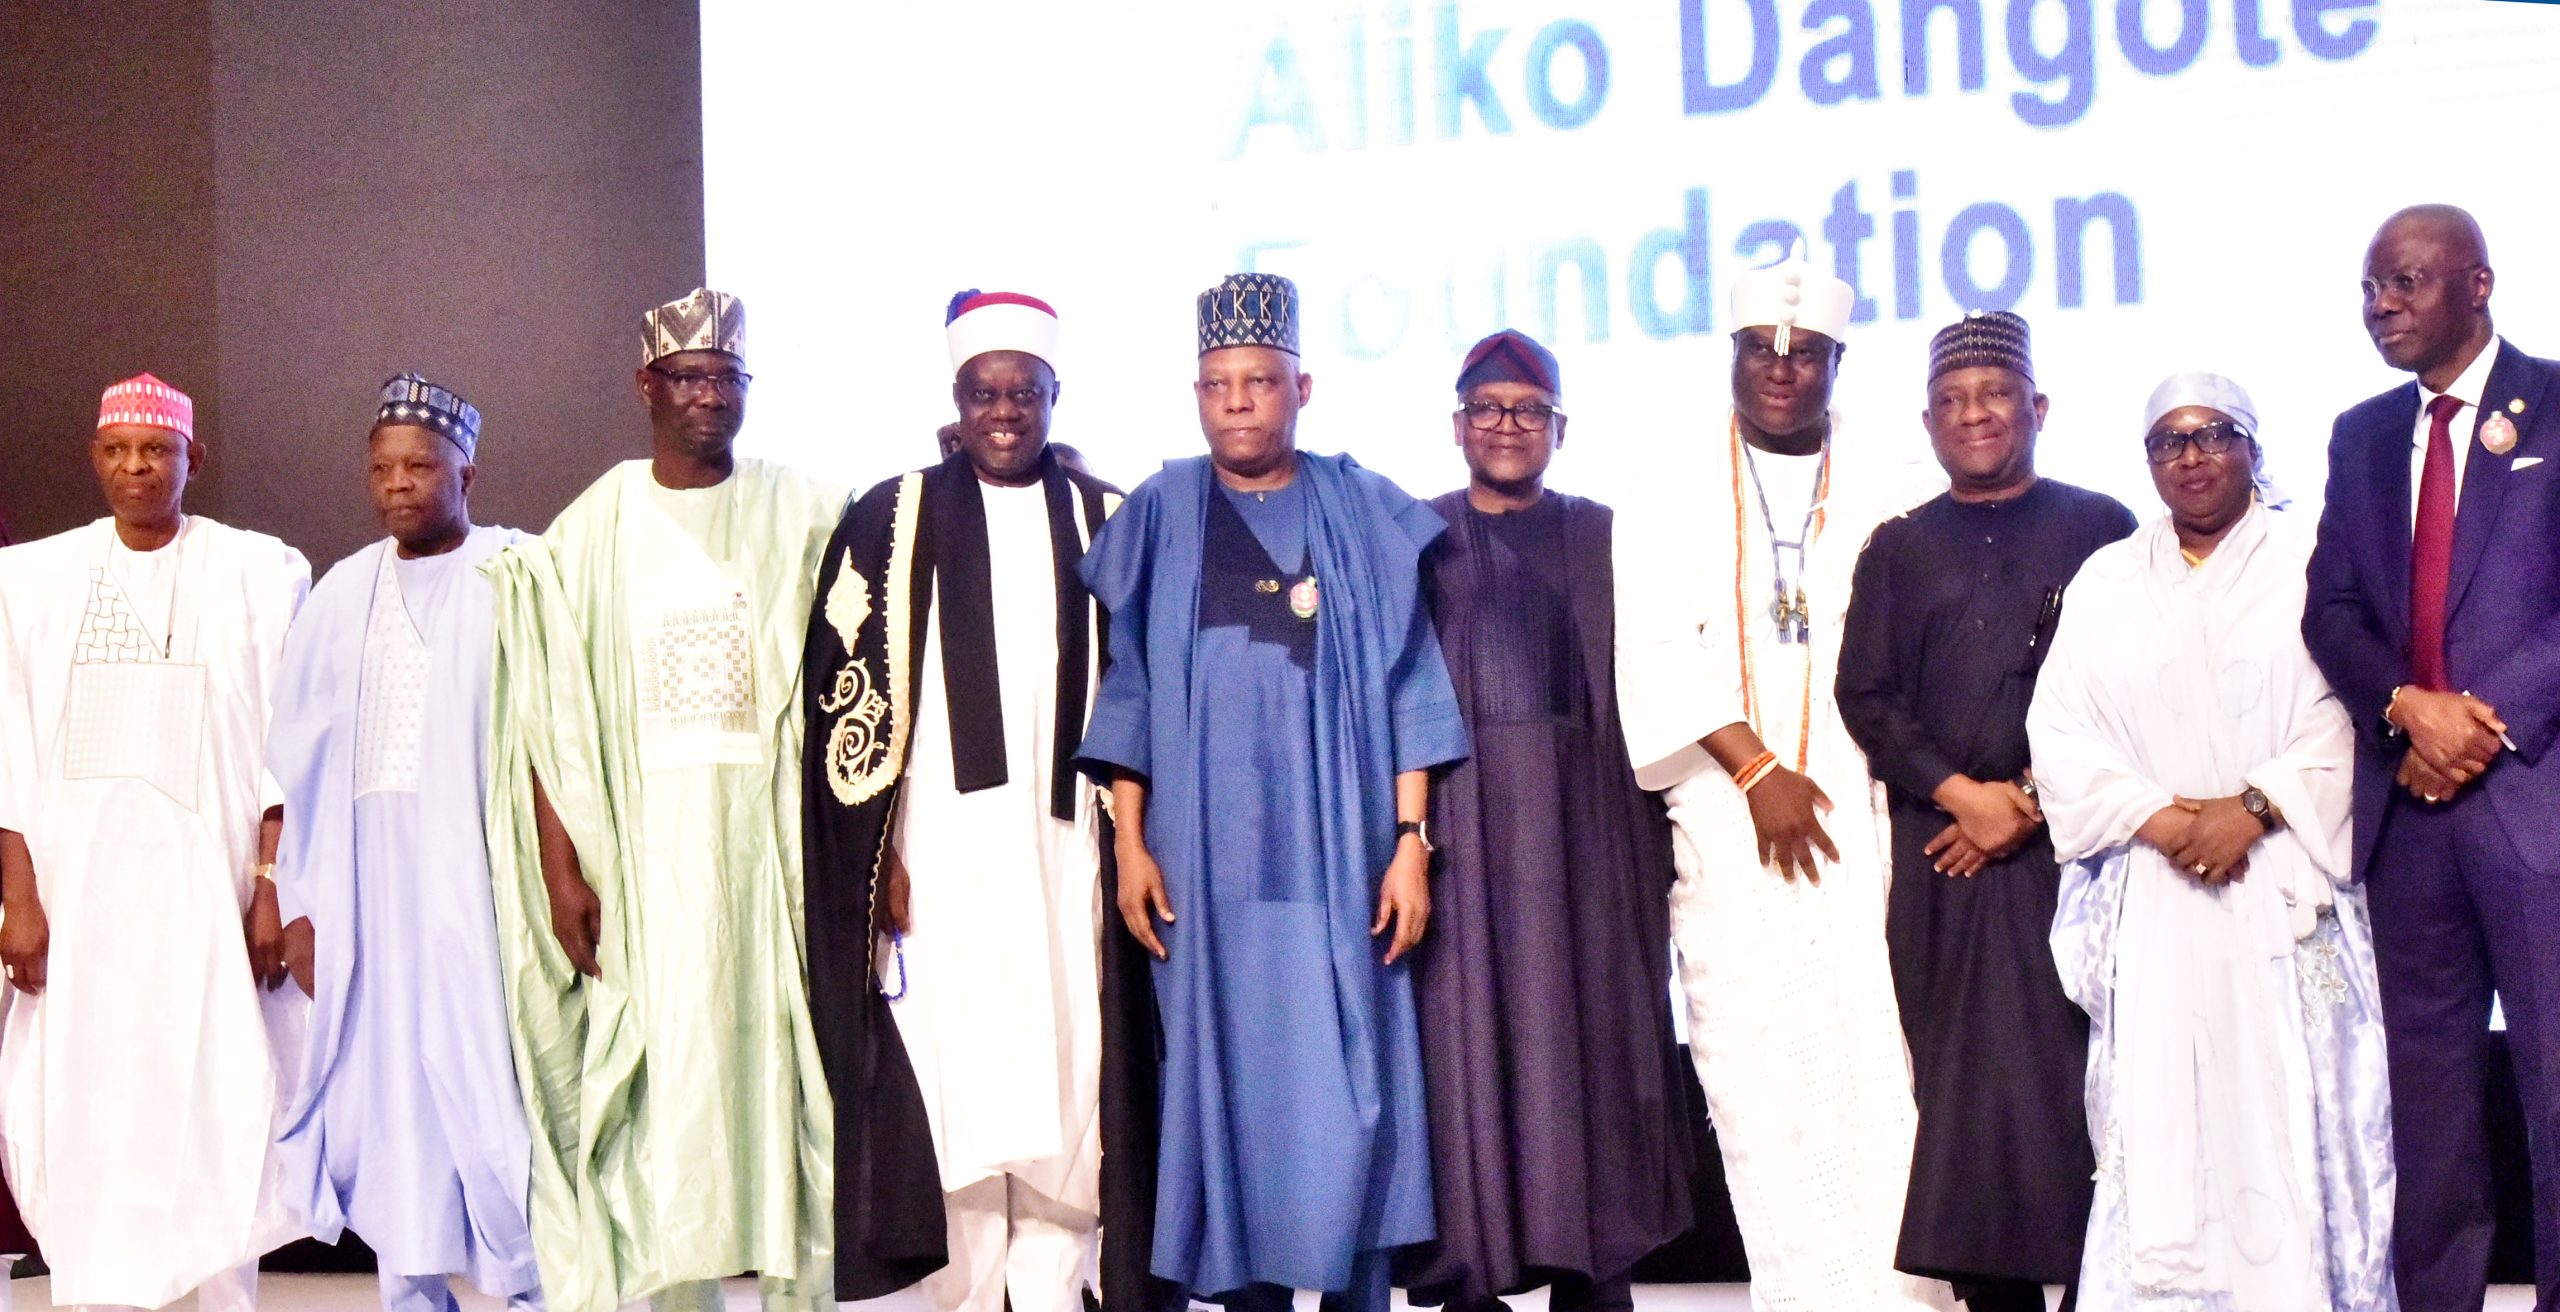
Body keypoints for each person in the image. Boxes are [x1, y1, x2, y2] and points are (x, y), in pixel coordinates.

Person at [1076, 272, 1469, 1312]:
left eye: (1257, 380)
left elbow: (1410, 682)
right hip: (1205, 871)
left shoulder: (1357, 507)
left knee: (1352, 1088)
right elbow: (1131, 689)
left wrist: (1410, 841)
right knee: (1230, 1095)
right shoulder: (1162, 510)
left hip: (1342, 854)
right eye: (1217, 384)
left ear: (1303, 386)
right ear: (1195, 394)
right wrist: (1130, 844)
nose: (1237, 402)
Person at [481, 290, 844, 1312]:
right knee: (664, 1103)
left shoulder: (800, 508)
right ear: (648, 386)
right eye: (690, 378)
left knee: (784, 1092)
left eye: (727, 379)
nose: (710, 397)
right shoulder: (590, 529)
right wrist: (561, 868)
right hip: (643, 866)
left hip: (769, 861)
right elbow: (549, 714)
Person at [1613, 244, 1952, 1310]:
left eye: (1804, 352)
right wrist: (1756, 770)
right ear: (1730, 350)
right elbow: (1652, 647)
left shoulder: (1895, 482)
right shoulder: (1669, 480)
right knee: (1762, 1085)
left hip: (1861, 810)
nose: (1779, 365)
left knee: (1879, 1071)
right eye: (1759, 345)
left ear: (1838, 363)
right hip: (1728, 819)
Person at [802, 290, 1147, 1311]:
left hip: (1068, 855)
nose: (1004, 412)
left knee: (1069, 1078)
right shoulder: (888, 518)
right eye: (984, 393)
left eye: (1023, 393)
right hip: (941, 856)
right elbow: (842, 700)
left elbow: (1144, 691)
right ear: (956, 400)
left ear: (1054, 395)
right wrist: (880, 858)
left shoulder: (1107, 519)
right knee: (957, 1089)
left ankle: (1054, 1291)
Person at [2034, 371, 2395, 1309]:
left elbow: (2353, 708)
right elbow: (2061, 730)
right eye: (2169, 441)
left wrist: (2255, 808)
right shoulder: (2109, 578)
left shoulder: (2315, 555)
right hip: (2157, 885)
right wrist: (2162, 819)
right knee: (2164, 1128)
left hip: (2283, 873)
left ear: (2253, 447)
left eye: (2213, 435)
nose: (2191, 457)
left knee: (2299, 1116)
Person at [1837, 312, 2134, 1310]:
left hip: (2077, 854)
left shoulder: (2101, 528)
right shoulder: (1898, 547)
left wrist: (2032, 800)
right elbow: (1867, 695)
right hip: (1945, 861)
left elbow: (2134, 687)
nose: (1975, 414)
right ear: (1926, 422)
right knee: (1966, 1110)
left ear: (2037, 407)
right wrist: (1963, 796)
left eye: (1995, 394)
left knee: (2082, 1094)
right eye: (1952, 401)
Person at [0, 374, 310, 1311]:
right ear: (95, 458)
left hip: (208, 904)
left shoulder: (256, 574)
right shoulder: (31, 582)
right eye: (118, 450)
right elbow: (10, 749)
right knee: (89, 1102)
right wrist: (19, 899)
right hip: (80, 906)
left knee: (217, 1097)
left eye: (157, 451)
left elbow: (285, 746)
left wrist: (269, 886)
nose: (136, 468)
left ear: (192, 460)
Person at [1398, 329, 1692, 1312]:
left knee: (1597, 1057)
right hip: (1462, 842)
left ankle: (1593, 1275)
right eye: (1487, 408)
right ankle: (1473, 1276)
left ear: (1561, 429)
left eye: (1529, 410)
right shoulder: (1415, 538)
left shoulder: (1606, 536)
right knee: (1468, 1056)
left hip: (1591, 845)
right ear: (1456, 426)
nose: (1507, 425)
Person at [2303, 203, 2560, 1311]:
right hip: (2408, 822)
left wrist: (2477, 723)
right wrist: (2409, 710)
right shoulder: (2361, 434)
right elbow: (2330, 609)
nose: (2382, 307)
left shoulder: (2554, 400)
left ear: (2479, 284)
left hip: (2534, 807)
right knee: (2429, 1112)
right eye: (2371, 289)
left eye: (2405, 282)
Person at [265, 373, 542, 1312]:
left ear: (467, 471)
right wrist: (297, 905)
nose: (397, 485)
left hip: (483, 880)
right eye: (382, 469)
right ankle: (411, 1291)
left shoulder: (518, 571)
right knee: (388, 1092)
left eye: (419, 467)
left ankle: (528, 1287)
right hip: (366, 891)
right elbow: (295, 760)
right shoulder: (343, 590)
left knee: (491, 1086)